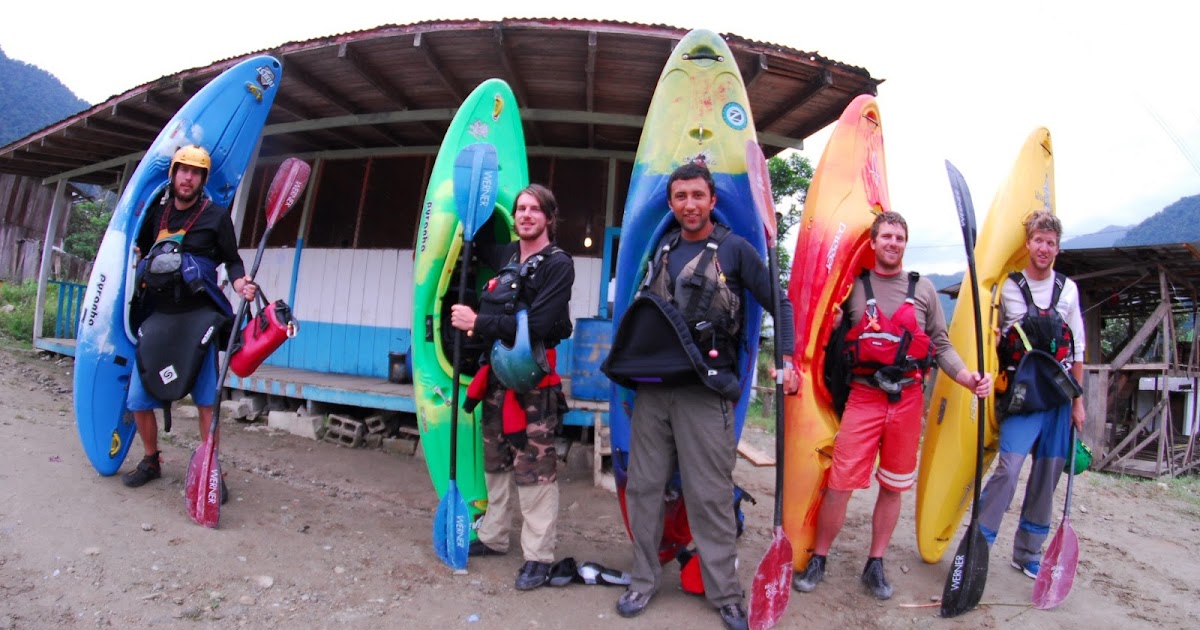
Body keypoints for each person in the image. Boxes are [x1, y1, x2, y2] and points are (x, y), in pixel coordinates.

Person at [602, 162, 799, 630]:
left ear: (712, 200)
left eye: (697, 195)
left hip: (706, 393)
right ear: (670, 204)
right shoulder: (663, 249)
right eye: (680, 197)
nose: (689, 204)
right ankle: (644, 580)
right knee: (646, 490)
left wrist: (788, 358)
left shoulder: (735, 250)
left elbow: (782, 302)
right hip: (653, 395)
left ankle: (725, 593)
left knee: (709, 494)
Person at [791, 211, 992, 600]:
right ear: (873, 242)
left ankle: (875, 563)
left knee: (893, 486)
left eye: (899, 237)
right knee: (839, 484)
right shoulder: (852, 289)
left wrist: (968, 377)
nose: (892, 243)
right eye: (886, 236)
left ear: (905, 243)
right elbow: (825, 338)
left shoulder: (925, 290)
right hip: (864, 396)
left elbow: (940, 344)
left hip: (907, 399)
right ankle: (819, 556)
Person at [449, 183, 575, 591]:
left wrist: (477, 323)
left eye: (535, 210)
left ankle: (538, 556)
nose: (525, 215)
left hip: (532, 383)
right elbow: (481, 232)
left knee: (535, 467)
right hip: (496, 379)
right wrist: (476, 192)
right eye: (520, 209)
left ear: (549, 218)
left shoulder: (558, 264)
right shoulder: (506, 256)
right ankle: (494, 536)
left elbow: (537, 326)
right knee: (496, 461)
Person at [121, 145, 256, 498]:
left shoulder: (215, 216)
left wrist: (242, 284)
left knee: (206, 402)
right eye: (183, 169)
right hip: (159, 317)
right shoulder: (157, 212)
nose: (187, 177)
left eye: (196, 172)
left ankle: (212, 468)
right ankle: (151, 460)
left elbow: (233, 261)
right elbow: (139, 250)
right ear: (174, 173)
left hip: (199, 320)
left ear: (203, 179)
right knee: (137, 398)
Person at [977, 210, 1085, 579]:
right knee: (1008, 468)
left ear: (1057, 248)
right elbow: (991, 339)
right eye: (1038, 240)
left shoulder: (1068, 289)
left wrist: (1078, 403)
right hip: (1022, 398)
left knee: (1047, 475)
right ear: (1027, 244)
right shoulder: (1008, 286)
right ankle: (979, 542)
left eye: (1051, 243)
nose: (1044, 248)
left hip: (1056, 399)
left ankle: (1027, 552)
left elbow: (1078, 351)